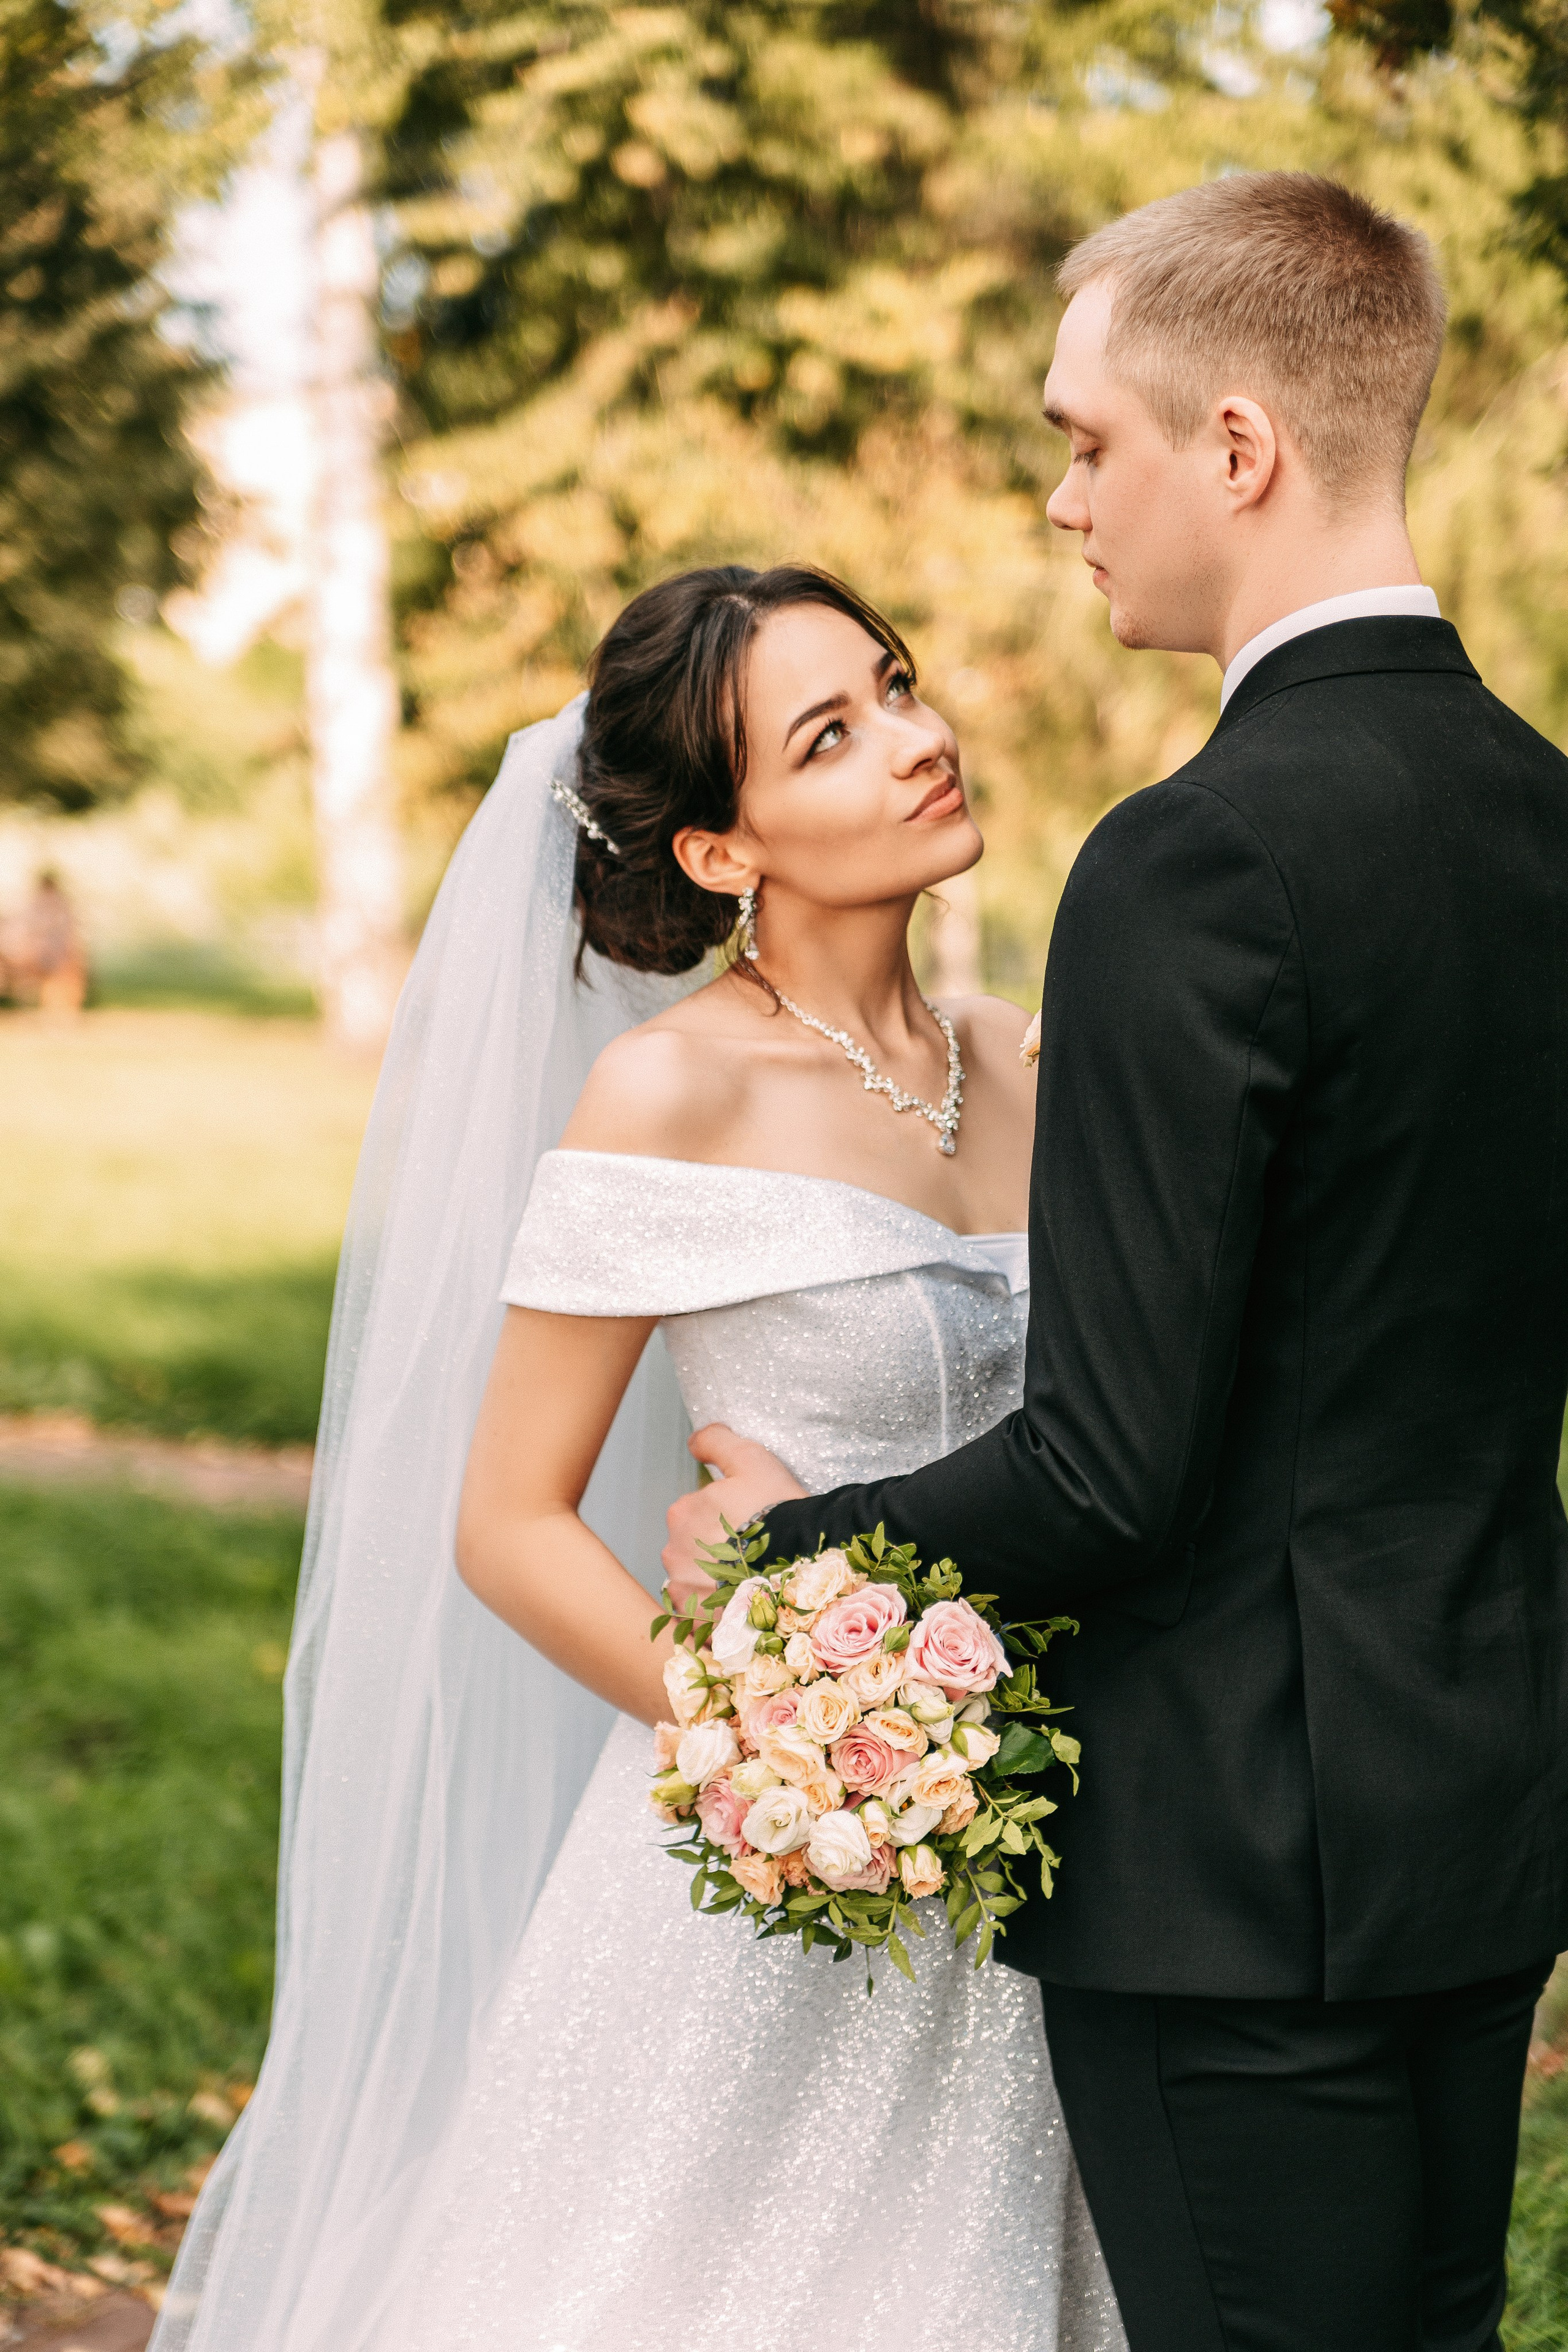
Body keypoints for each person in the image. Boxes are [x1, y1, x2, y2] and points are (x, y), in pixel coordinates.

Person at [665, 174, 1568, 2350]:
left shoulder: (1195, 864)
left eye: (1088, 440)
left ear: (1235, 447)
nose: (1067, 499)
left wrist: (798, 1546)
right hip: (1483, 1800)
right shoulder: (1546, 817)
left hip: (1231, 1871)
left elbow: (1106, 1476)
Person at [150, 565, 1125, 2352]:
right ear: (721, 853)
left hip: (1054, 1855)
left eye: (897, 688)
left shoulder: (1033, 1060)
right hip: (774, 1872)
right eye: (832, 736)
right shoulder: (673, 1097)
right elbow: (509, 1524)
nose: (918, 742)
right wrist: (796, 1759)